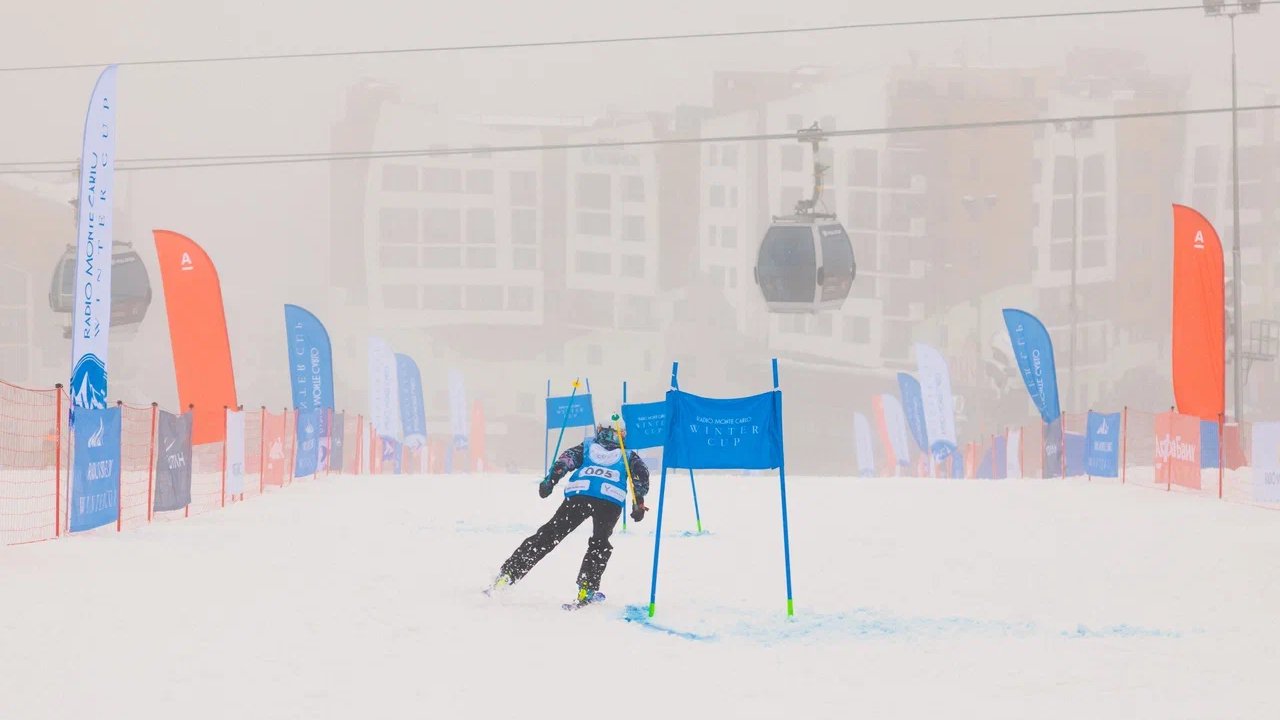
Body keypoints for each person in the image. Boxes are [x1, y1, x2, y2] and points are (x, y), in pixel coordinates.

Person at [488, 422, 650, 608]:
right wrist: (638, 502)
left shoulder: (587, 447)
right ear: (622, 435)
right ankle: (586, 589)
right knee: (599, 543)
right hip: (609, 500)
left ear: (600, 431)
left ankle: (508, 575)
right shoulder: (628, 455)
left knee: (549, 535)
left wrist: (550, 481)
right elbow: (641, 476)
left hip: (580, 494)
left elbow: (564, 462)